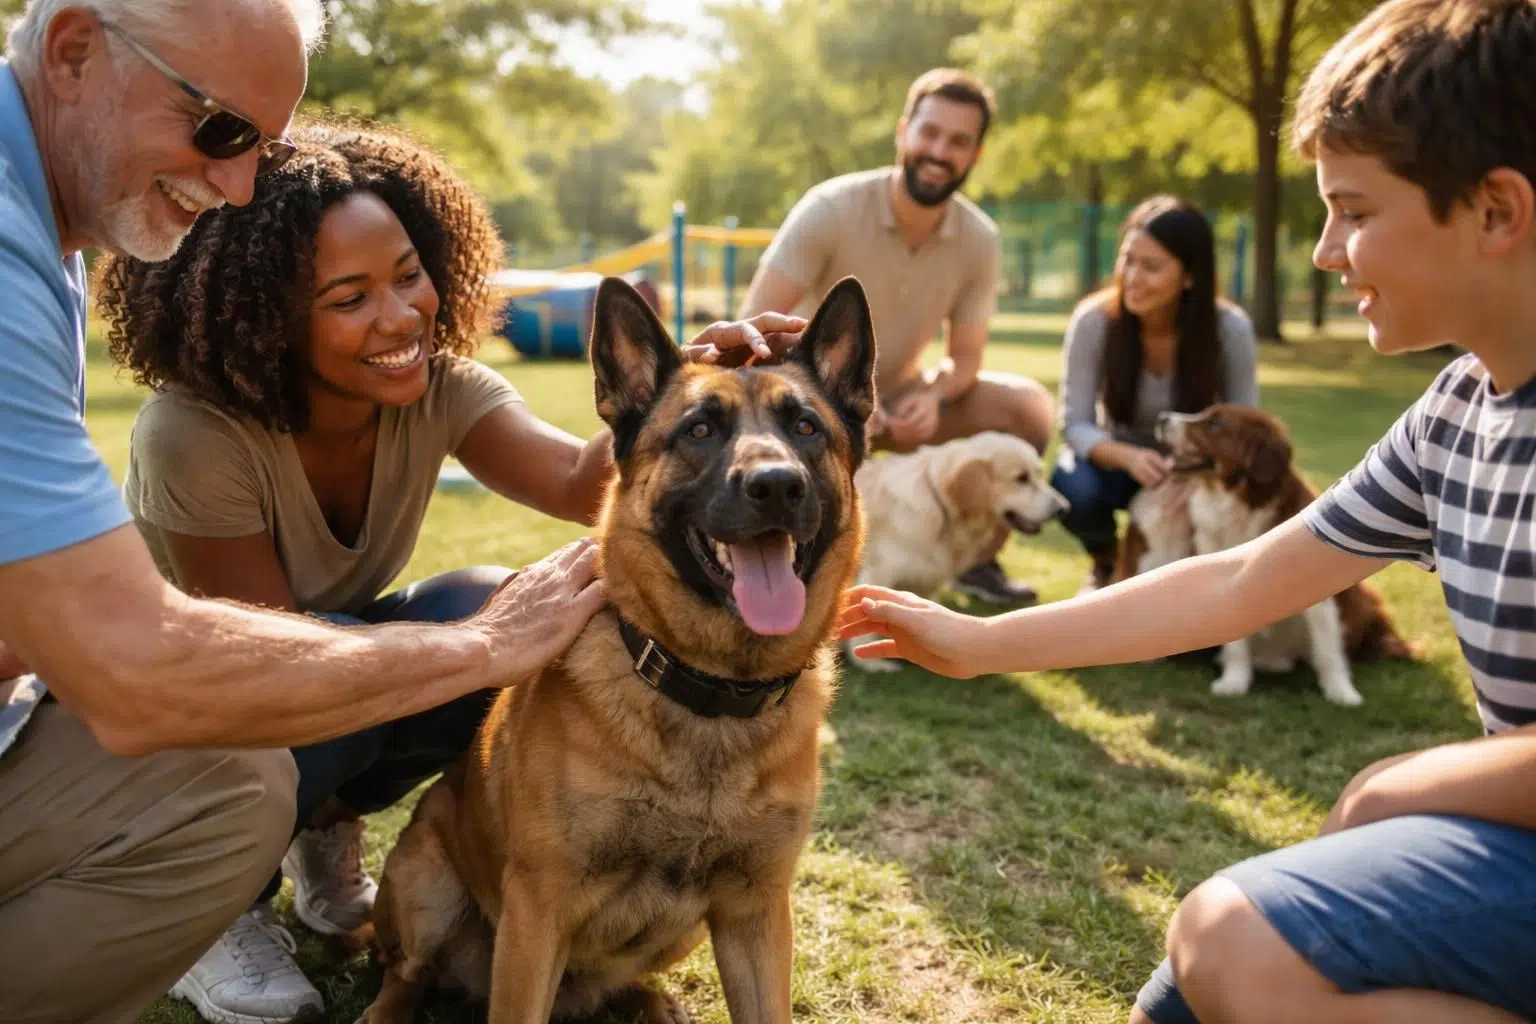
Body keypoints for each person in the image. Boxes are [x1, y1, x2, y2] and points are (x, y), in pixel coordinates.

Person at [0, 3, 781, 1020]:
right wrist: (489, 646)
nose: (236, 185)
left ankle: (317, 830)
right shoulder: (188, 427)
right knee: (308, 723)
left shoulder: (433, 386)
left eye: (410, 277)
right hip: (218, 693)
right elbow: (227, 670)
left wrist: (685, 403)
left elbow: (582, 478)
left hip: (212, 691)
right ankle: (227, 902)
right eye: (221, 130)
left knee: (470, 601)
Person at [837, 0, 1536, 1020]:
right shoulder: (1457, 410)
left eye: (1356, 210)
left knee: (1235, 940)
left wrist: (1404, 788)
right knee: (1178, 999)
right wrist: (979, 643)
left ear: (1495, 211)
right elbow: (1243, 580)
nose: (1325, 251)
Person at [738, 67, 1055, 607]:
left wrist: (934, 395)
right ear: (904, 131)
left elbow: (966, 361)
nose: (939, 150)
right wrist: (820, 398)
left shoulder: (979, 237)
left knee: (1027, 409)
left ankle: (974, 559)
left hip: (901, 408)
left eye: (958, 141)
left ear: (976, 154)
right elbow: (750, 332)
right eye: (929, 132)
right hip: (812, 403)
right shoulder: (830, 208)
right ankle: (775, 560)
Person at [1052, 196, 1259, 592]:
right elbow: (1074, 424)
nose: (1132, 277)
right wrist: (1127, 457)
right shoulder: (1094, 322)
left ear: (1189, 276)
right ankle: (1106, 561)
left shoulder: (1229, 330)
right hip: (1118, 463)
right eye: (1127, 260)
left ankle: (1216, 587)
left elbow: (1243, 427)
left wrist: (1196, 473)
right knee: (1074, 489)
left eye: (1151, 267)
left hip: (1194, 467)